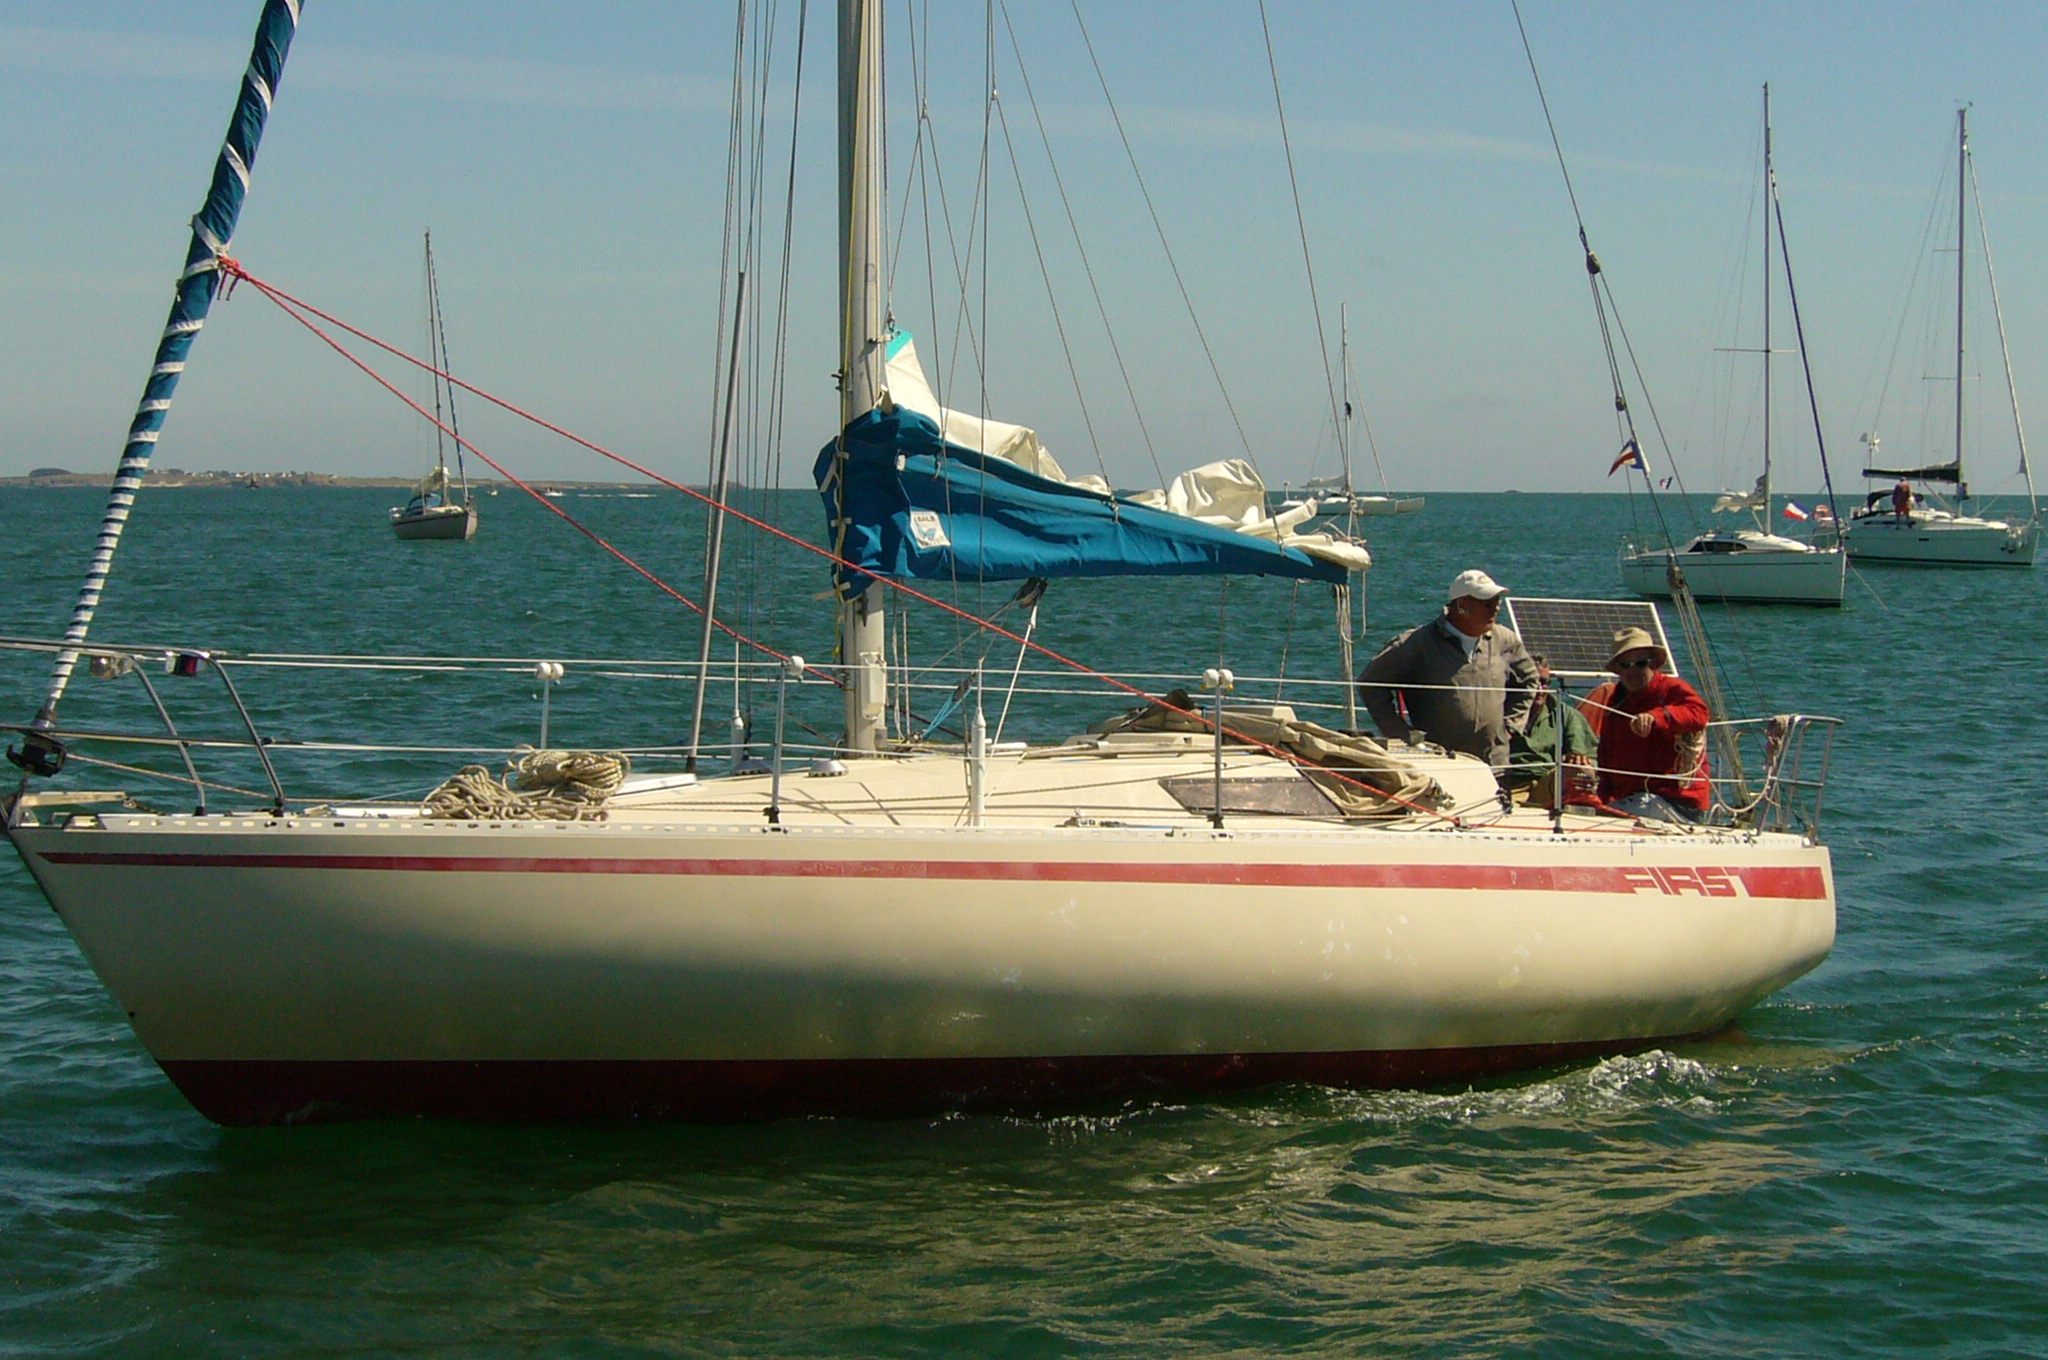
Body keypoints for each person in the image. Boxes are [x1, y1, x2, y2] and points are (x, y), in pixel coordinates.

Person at [1357, 569, 1539, 771]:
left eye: (1498, 602)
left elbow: (1529, 680)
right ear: (1461, 605)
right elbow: (1370, 684)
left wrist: (1511, 726)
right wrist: (1402, 734)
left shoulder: (1504, 640)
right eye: (1487, 603)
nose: (1495, 609)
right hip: (1439, 763)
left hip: (1494, 763)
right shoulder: (1417, 643)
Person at [1583, 626, 1712, 823]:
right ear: (1618, 669)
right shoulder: (1617, 702)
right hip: (1635, 798)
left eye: (1640, 664)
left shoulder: (1672, 688)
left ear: (1653, 663)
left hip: (1675, 801)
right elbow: (1607, 754)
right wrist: (1602, 797)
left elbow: (1699, 714)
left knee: (1598, 820)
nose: (1633, 671)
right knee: (1585, 814)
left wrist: (1656, 717)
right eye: (1625, 664)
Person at [1505, 654, 1597, 807]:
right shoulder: (1499, 711)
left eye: (1545, 683)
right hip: (1506, 783)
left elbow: (1583, 754)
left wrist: (1577, 758)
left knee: (1581, 771)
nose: (1540, 689)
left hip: (1548, 784)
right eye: (1534, 682)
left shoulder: (1565, 714)